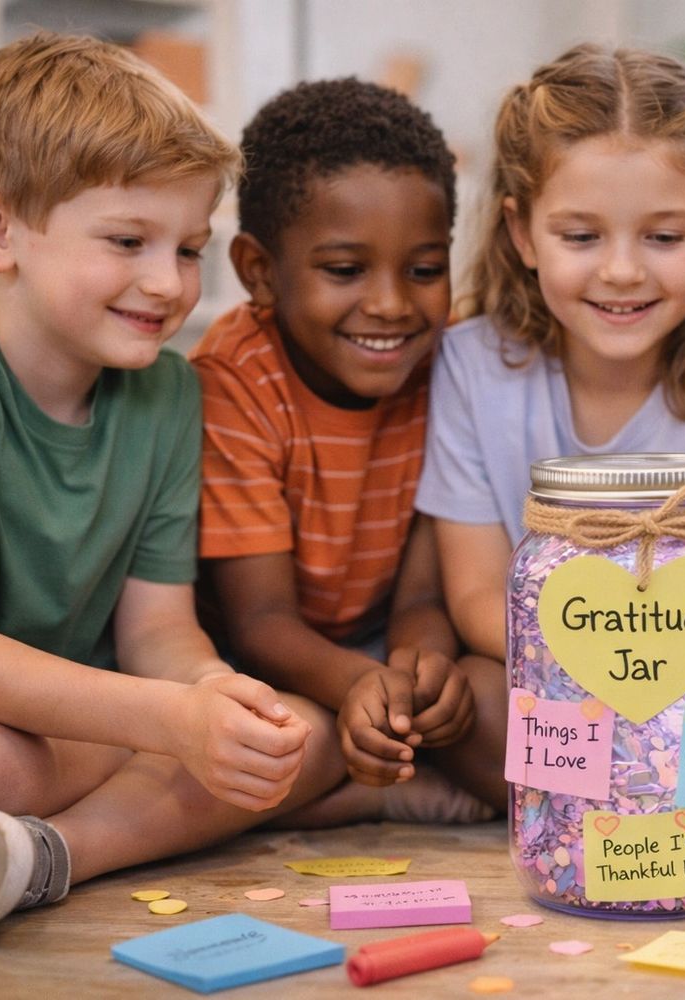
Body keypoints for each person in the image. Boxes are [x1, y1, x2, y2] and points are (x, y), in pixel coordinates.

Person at [0, 33, 344, 943]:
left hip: (87, 731)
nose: (167, 284)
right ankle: (116, 811)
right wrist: (167, 722)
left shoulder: (169, 393)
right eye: (127, 242)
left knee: (301, 732)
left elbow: (158, 631)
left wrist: (216, 697)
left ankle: (45, 855)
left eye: (188, 249)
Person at [417, 44, 685, 808]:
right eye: (581, 237)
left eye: (664, 238)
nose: (624, 271)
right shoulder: (471, 364)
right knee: (475, 699)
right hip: (552, 679)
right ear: (522, 233)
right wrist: (597, 669)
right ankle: (631, 802)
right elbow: (475, 595)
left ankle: (613, 800)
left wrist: (658, 690)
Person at [190, 79, 486, 825]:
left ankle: (372, 779)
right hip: (258, 660)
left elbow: (422, 594)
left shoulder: (448, 364)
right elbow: (260, 622)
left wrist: (420, 668)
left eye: (424, 270)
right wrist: (361, 683)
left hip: (376, 641)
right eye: (346, 271)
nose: (391, 304)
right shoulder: (236, 379)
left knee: (471, 700)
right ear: (259, 271)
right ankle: (360, 796)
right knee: (286, 740)